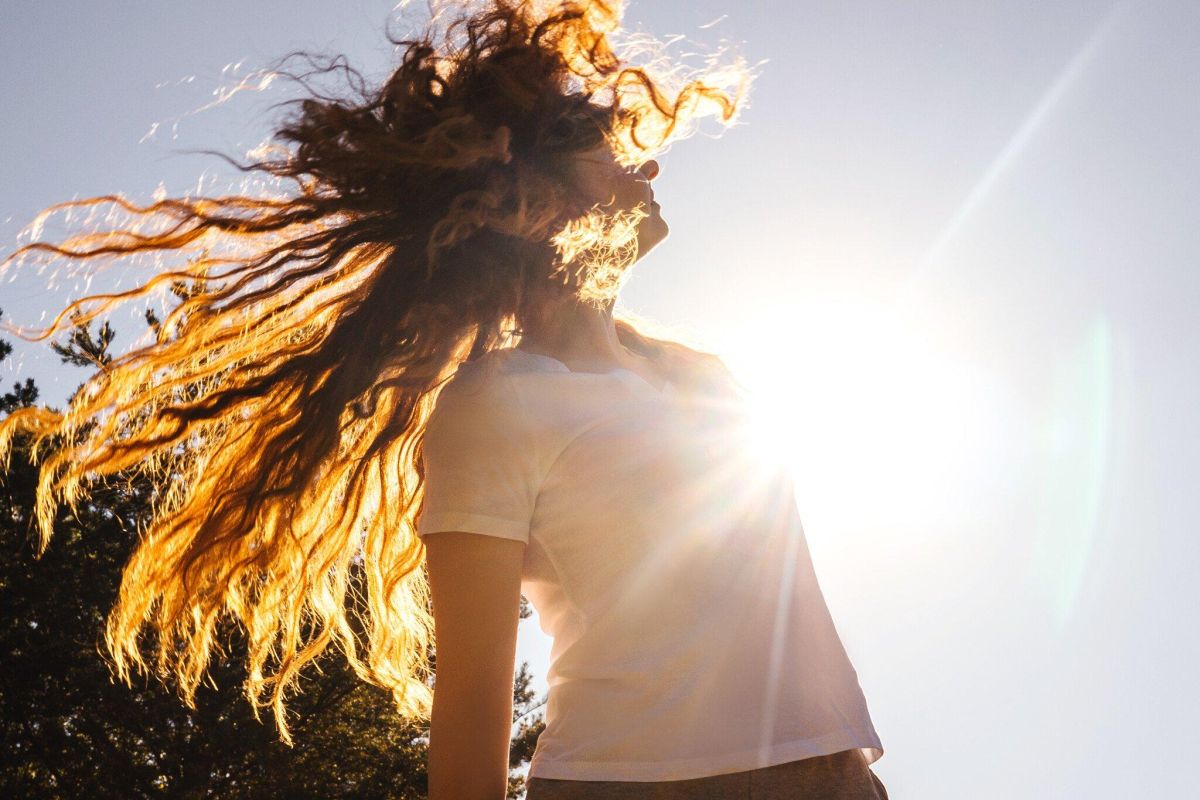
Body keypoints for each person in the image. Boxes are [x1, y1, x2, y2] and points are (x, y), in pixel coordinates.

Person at [0, 1, 886, 797]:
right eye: (606, 148)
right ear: (530, 201)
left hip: (832, 772)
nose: (644, 162)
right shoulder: (494, 405)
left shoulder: (703, 375)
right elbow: (469, 717)